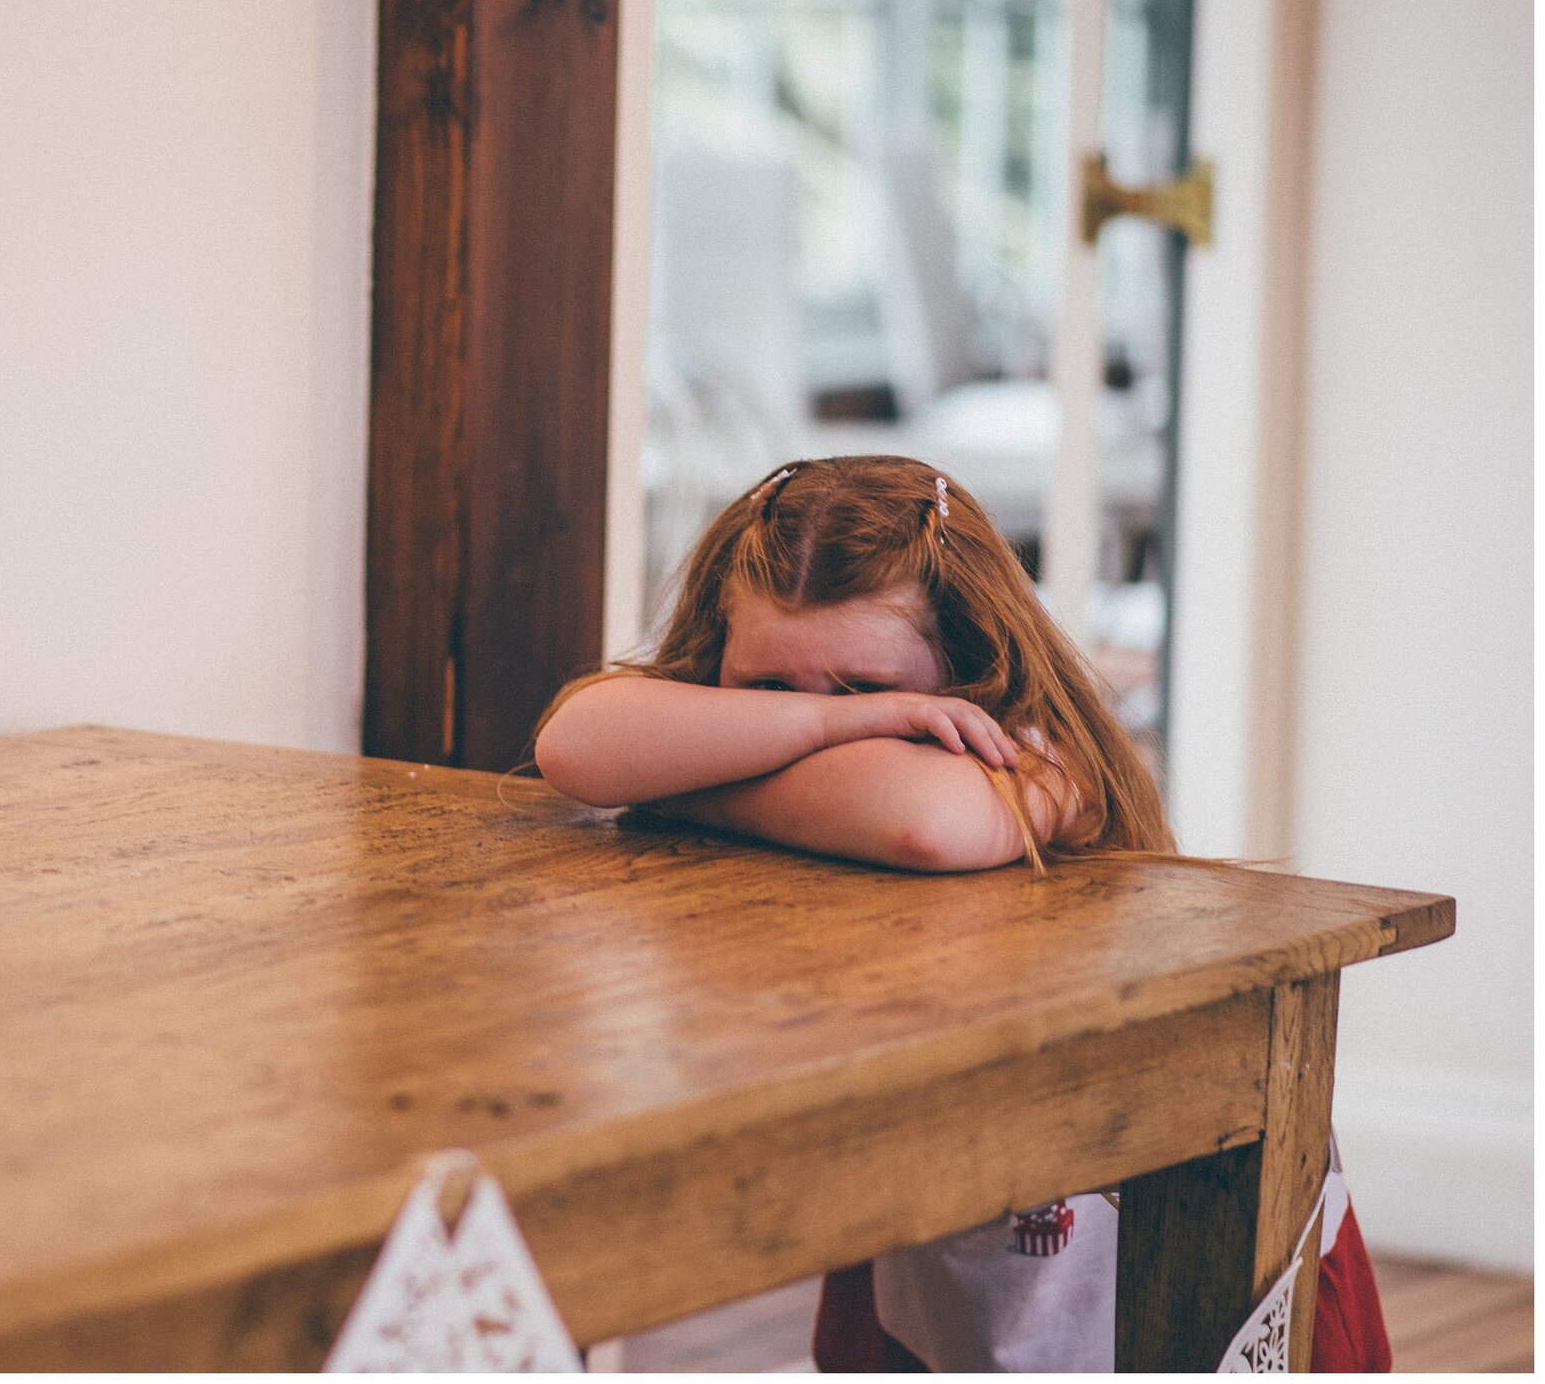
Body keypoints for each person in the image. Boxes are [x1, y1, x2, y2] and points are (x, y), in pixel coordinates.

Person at [533, 455, 1390, 1372]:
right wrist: (845, 726)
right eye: (767, 690)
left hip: (1172, 1278)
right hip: (937, 1227)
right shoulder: (840, 728)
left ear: (972, 664)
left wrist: (683, 784)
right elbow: (575, 743)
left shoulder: (1048, 759)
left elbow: (927, 823)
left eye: (866, 689)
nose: (823, 713)